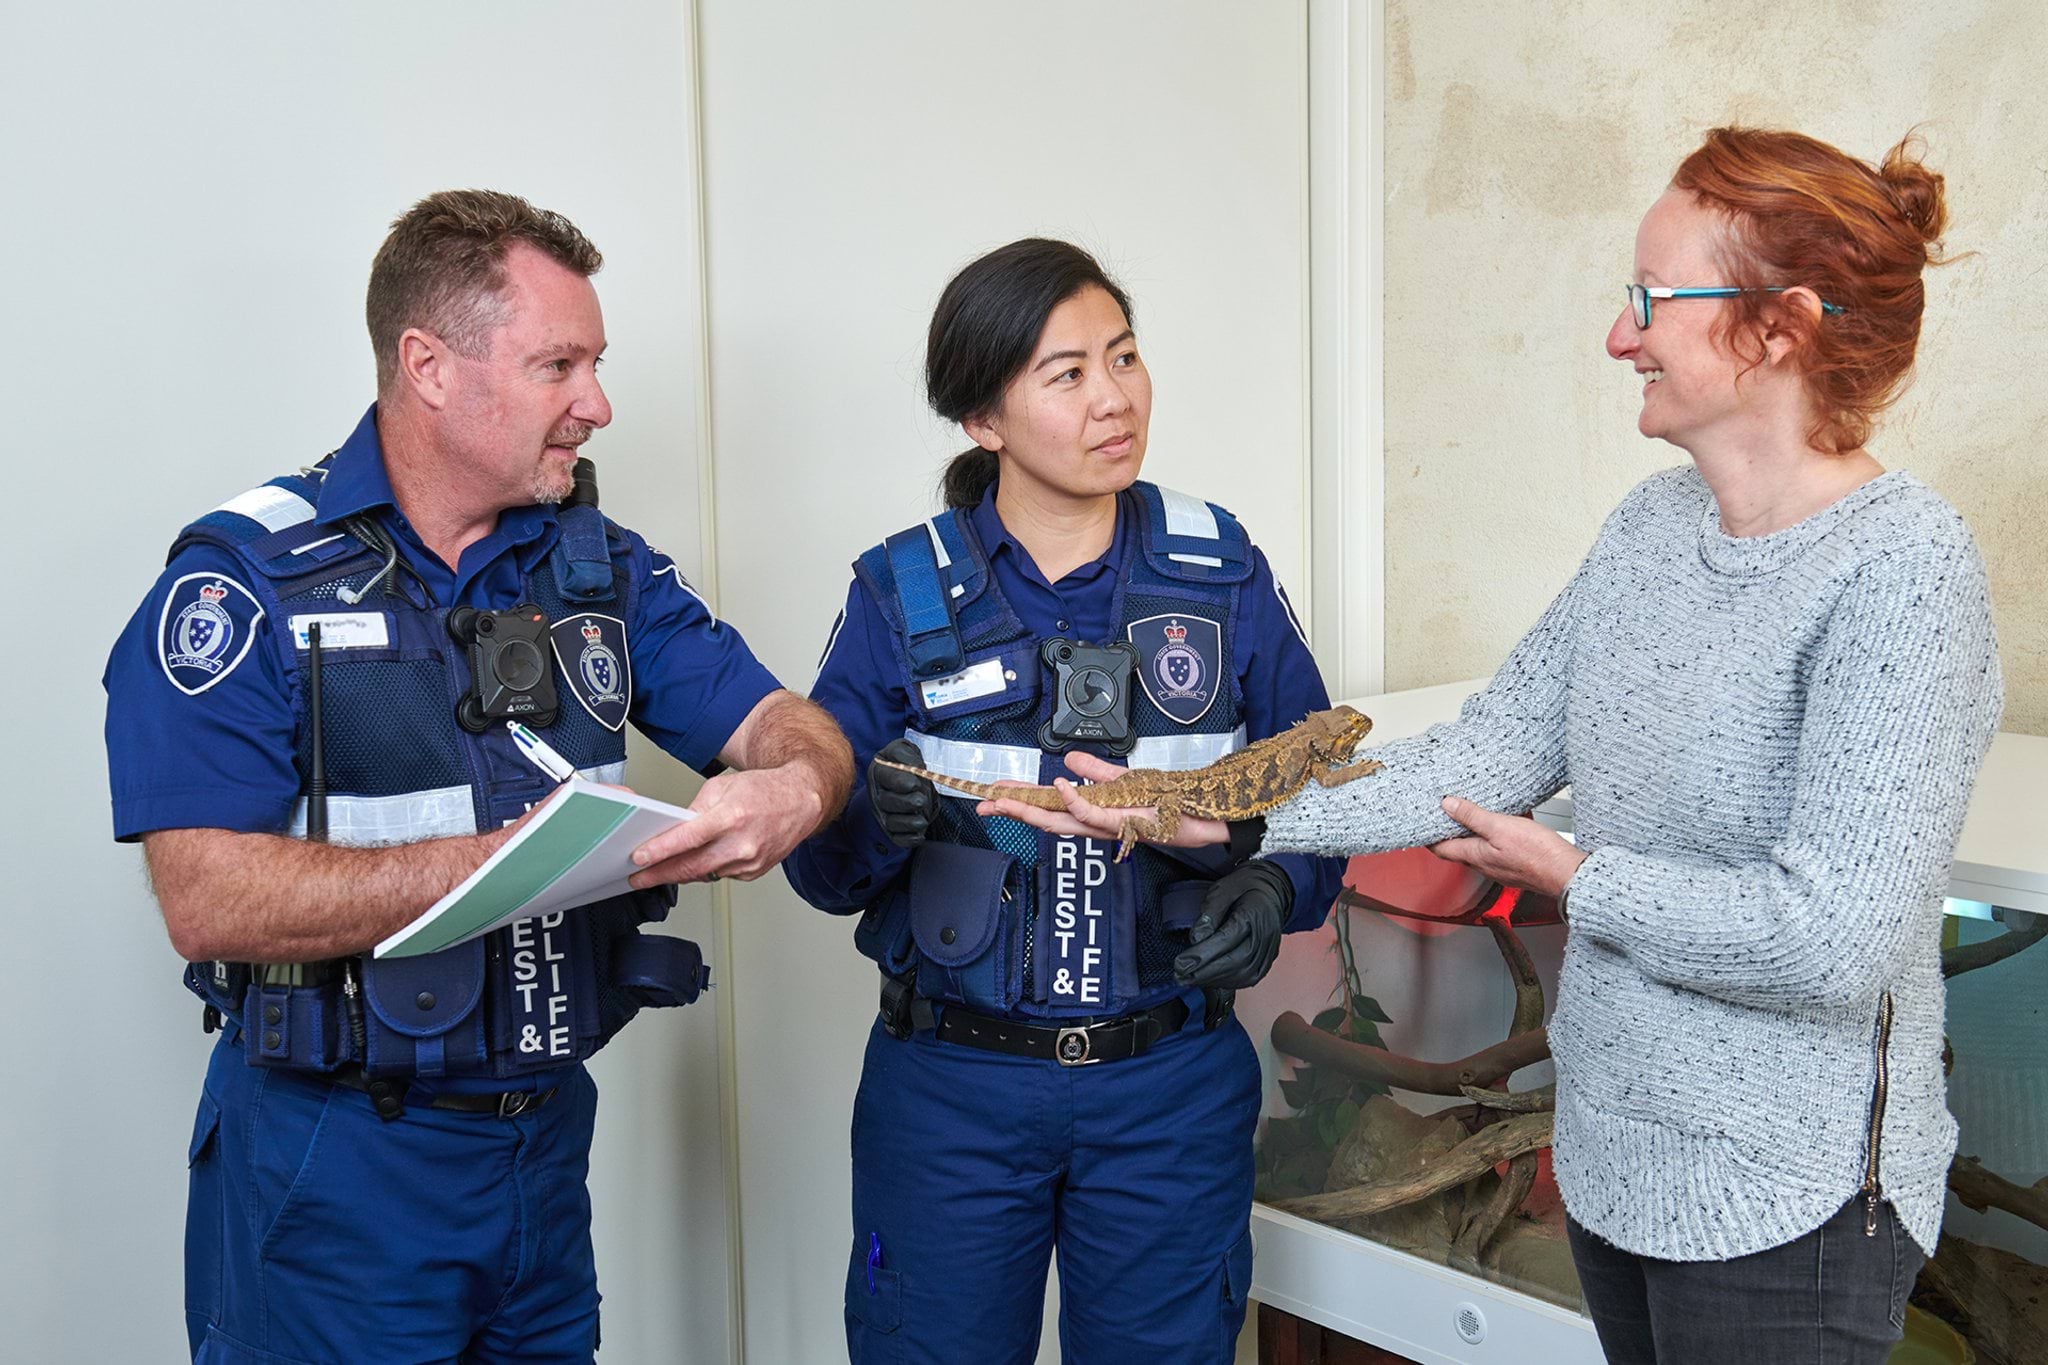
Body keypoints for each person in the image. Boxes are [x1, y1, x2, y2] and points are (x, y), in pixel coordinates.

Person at [991, 130, 2003, 1363]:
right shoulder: (1649, 528)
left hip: (1788, 1197)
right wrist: (1219, 813)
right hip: (1617, 1161)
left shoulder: (1901, 573)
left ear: (1775, 328)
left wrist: (1576, 878)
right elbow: (1479, 752)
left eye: (1648, 301)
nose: (1617, 337)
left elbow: (1830, 943)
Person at [103, 190, 852, 1364]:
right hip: (337, 1160)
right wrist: (510, 865)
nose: (596, 405)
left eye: (595, 364)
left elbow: (781, 721)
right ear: (430, 367)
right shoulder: (245, 582)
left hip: (541, 1149)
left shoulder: (597, 568)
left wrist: (796, 787)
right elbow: (206, 898)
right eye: (558, 365)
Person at [784, 238, 1345, 1362]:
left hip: (1168, 1090)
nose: (1114, 399)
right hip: (951, 1093)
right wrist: (867, 822)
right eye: (1068, 374)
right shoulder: (900, 590)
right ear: (981, 420)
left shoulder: (1217, 569)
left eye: (1124, 357)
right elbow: (814, 862)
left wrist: (1270, 882)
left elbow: (1317, 789)